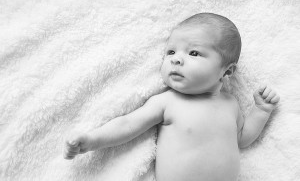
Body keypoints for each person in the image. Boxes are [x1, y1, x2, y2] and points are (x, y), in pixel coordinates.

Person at [63, 13, 280, 181]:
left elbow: (242, 139)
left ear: (227, 72)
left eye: (193, 53)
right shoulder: (167, 102)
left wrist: (260, 111)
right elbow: (127, 125)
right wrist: (91, 140)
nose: (176, 60)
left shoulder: (230, 104)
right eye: (171, 52)